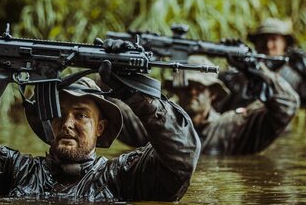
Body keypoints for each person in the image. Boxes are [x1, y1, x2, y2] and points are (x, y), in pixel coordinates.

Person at [0, 31, 201, 202]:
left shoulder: (120, 178)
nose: (67, 123)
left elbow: (183, 155)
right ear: (48, 119)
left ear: (101, 128)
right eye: (60, 113)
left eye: (81, 116)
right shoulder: (13, 172)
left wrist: (141, 98)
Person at [114, 55, 300, 155]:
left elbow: (288, 105)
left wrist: (256, 69)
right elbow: (116, 111)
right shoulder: (157, 124)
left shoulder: (233, 127)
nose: (193, 92)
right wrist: (120, 67)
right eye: (188, 86)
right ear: (178, 90)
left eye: (200, 87)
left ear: (213, 94)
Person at [220, 18, 306, 109]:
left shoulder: (293, 74)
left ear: (284, 43)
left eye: (274, 39)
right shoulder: (243, 68)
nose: (268, 45)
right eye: (263, 40)